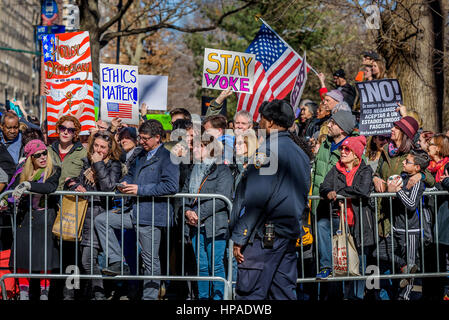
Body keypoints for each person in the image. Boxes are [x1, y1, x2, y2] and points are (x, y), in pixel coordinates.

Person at [231, 99, 310, 300]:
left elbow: (257, 199)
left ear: (272, 122)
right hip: (288, 232)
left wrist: (241, 236)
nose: (259, 122)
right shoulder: (300, 153)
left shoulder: (267, 151)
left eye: (263, 118)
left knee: (250, 293)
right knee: (282, 293)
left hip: (265, 235)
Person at [94, 119, 179, 300]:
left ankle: (149, 296)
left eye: (145, 139)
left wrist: (140, 190)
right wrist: (124, 185)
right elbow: (132, 175)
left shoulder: (169, 157)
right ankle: (117, 261)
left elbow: (171, 186)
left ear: (158, 137)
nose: (141, 141)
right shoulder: (140, 155)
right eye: (140, 138)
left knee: (150, 260)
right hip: (134, 211)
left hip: (152, 215)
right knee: (102, 220)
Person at [372, 116, 435, 300]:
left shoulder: (412, 155)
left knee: (403, 262)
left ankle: (402, 295)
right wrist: (376, 178)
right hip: (386, 215)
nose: (391, 129)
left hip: (404, 220)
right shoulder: (385, 152)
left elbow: (429, 177)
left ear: (405, 134)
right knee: (379, 257)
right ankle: (381, 294)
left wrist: (421, 176)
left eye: (396, 127)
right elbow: (378, 173)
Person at [65, 131, 122, 300]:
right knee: (82, 261)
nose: (98, 150)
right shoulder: (86, 162)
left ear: (110, 149)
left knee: (88, 261)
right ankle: (87, 295)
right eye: (96, 146)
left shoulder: (114, 165)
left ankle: (100, 296)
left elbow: (107, 188)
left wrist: (98, 165)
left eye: (103, 147)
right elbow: (78, 182)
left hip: (99, 217)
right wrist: (74, 184)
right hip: (82, 217)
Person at [318, 136, 375, 299]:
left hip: (360, 225)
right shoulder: (335, 169)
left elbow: (362, 190)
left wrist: (340, 192)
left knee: (357, 269)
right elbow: (324, 185)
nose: (342, 152)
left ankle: (356, 297)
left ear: (356, 154)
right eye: (342, 149)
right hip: (340, 224)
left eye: (347, 149)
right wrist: (328, 191)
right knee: (341, 268)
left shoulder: (365, 170)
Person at [182, 127, 233, 300]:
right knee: (201, 266)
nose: (194, 149)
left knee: (216, 265)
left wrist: (198, 213)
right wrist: (187, 211)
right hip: (195, 225)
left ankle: (219, 299)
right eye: (194, 146)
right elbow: (183, 195)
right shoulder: (193, 170)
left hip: (215, 224)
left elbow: (221, 198)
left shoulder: (222, 170)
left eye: (199, 147)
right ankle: (203, 299)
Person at [8, 139, 61, 300]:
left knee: (45, 261)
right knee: (24, 260)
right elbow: (11, 191)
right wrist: (6, 201)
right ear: (31, 158)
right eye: (38, 155)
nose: (43, 157)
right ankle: (24, 294)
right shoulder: (23, 172)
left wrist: (28, 185)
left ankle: (44, 295)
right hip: (26, 219)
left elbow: (50, 187)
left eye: (45, 153)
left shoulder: (54, 170)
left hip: (45, 219)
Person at [386, 149, 430, 300]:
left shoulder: (418, 182)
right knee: (382, 253)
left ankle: (405, 295)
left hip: (411, 229)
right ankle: (404, 267)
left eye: (407, 162)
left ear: (417, 167)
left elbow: (411, 204)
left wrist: (398, 191)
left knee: (411, 264)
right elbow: (398, 196)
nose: (403, 163)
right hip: (396, 226)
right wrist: (391, 192)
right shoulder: (403, 177)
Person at [426, 134, 449, 299]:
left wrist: (445, 182)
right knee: (436, 260)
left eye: (431, 144)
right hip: (434, 219)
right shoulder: (430, 167)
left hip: (445, 219)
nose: (428, 146)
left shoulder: (447, 164)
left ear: (439, 148)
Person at [48, 115, 87, 190]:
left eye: (70, 130)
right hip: (49, 196)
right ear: (58, 130)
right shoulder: (48, 151)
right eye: (63, 128)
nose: (65, 132)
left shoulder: (83, 153)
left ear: (75, 134)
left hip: (70, 197)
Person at [0, 111, 23, 180]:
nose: (12, 131)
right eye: (9, 128)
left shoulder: (24, 139)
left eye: (15, 128)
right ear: (1, 126)